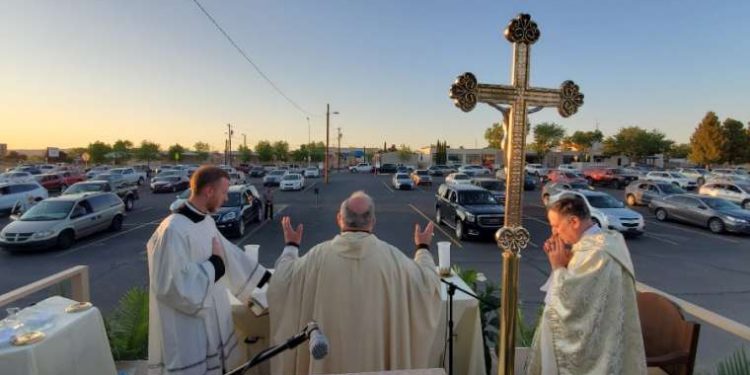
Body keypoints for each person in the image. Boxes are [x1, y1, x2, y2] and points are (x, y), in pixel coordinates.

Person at [267, 191, 442, 374]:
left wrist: (291, 246)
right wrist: (422, 248)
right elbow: (427, 283)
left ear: (339, 219)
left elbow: (281, 281)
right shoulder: (394, 259)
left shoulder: (317, 257)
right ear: (373, 222)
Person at [146, 166, 271, 375]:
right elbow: (170, 286)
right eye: (223, 193)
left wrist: (268, 280)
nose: (225, 198)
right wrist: (215, 265)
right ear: (209, 191)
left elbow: (230, 255)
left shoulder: (206, 221)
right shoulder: (173, 230)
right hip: (188, 329)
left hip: (213, 319)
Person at [526, 196, 647, 374]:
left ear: (574, 221)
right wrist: (567, 262)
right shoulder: (609, 240)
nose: (553, 233)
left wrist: (558, 266)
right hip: (610, 333)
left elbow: (572, 306)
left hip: (599, 348)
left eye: (556, 226)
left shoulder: (596, 254)